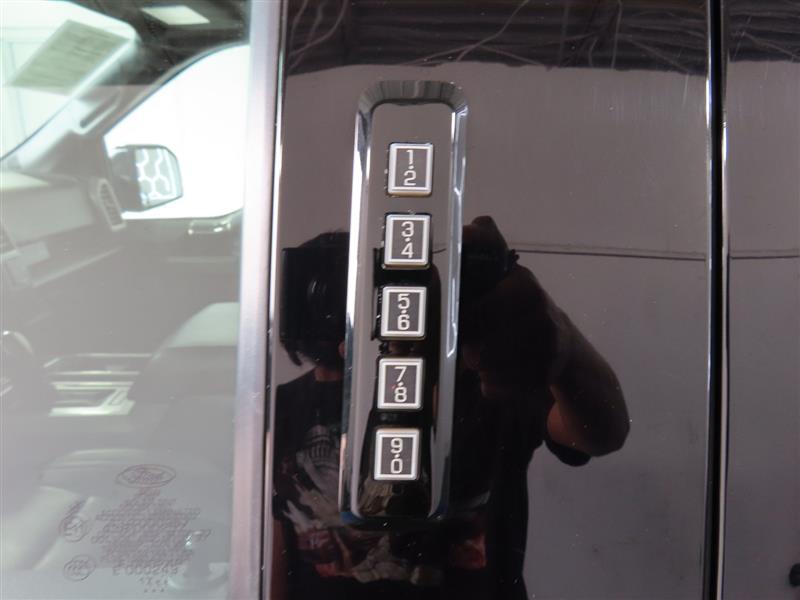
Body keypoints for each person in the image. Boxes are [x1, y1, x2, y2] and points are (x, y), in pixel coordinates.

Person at [270, 217, 629, 599]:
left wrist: (563, 344)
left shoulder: (486, 382)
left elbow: (601, 433)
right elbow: (278, 538)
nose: (336, 309)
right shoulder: (281, 409)